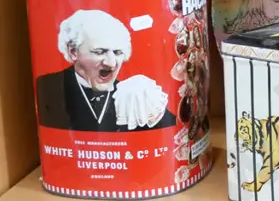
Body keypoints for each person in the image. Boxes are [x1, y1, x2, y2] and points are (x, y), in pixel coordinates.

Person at [36, 10, 176, 132]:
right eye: (100, 52)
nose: (111, 63)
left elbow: (170, 135)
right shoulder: (48, 86)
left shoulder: (133, 94)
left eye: (117, 52)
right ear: (73, 52)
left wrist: (152, 104)